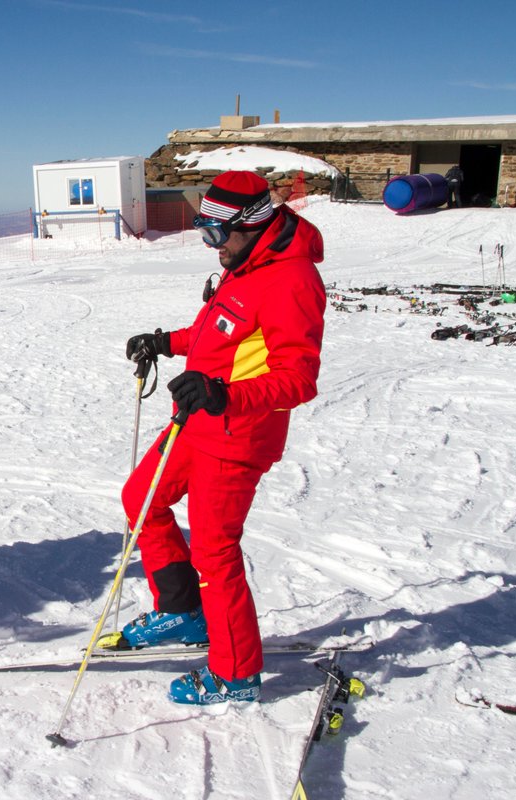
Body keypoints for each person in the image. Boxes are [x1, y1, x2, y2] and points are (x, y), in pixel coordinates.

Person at [119, 171, 326, 705]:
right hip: (200, 420)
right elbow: (223, 337)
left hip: (238, 432)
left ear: (250, 225)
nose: (211, 247)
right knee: (141, 499)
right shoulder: (246, 263)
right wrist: (169, 341)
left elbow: (299, 377)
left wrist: (223, 395)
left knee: (214, 549)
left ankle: (235, 675)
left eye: (216, 234)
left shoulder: (291, 280)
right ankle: (183, 612)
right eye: (202, 232)